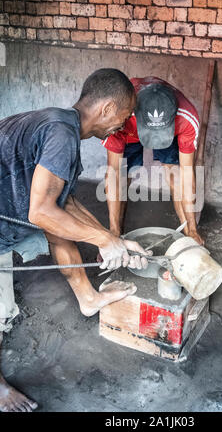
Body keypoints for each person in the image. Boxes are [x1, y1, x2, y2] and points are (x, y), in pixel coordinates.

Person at [0, 68, 150, 413]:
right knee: (1, 309)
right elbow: (40, 211)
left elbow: (65, 202)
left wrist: (113, 240)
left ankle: (88, 298)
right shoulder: (61, 134)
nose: (123, 128)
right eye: (125, 117)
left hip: (6, 207)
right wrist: (102, 240)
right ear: (108, 108)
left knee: (62, 226)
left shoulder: (59, 125)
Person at [101, 76, 204, 246]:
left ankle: (188, 234)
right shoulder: (120, 116)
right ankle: (117, 233)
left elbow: (186, 174)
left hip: (171, 130)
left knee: (175, 174)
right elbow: (114, 174)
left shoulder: (186, 118)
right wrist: (112, 236)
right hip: (130, 131)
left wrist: (193, 229)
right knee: (123, 175)